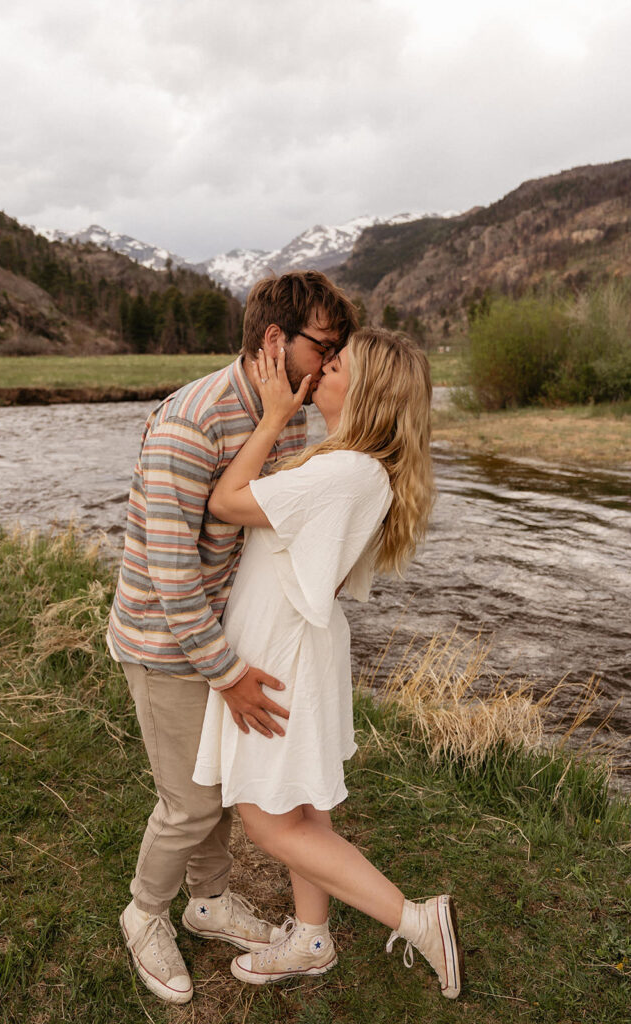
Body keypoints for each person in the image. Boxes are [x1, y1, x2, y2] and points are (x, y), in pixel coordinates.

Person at [107, 271, 359, 1004]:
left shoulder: (290, 413)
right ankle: (144, 913)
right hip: (167, 644)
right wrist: (227, 673)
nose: (332, 360)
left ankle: (209, 900)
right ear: (275, 340)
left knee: (214, 786)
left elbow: (273, 528)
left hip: (223, 637)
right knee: (187, 802)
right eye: (326, 345)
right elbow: (168, 570)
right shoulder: (194, 420)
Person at [193, 328, 464, 999]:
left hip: (281, 653)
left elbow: (225, 503)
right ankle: (311, 939)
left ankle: (416, 919)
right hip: (300, 643)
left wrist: (276, 413)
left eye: (334, 364)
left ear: (366, 388)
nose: (317, 370)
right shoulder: (357, 466)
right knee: (304, 809)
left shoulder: (343, 472)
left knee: (265, 817)